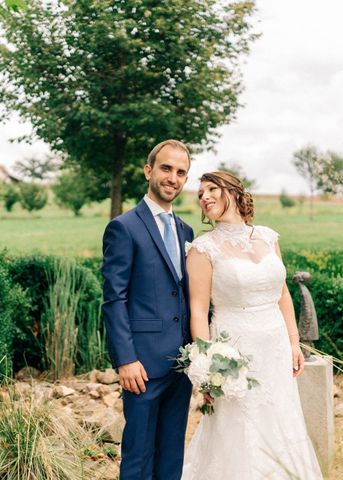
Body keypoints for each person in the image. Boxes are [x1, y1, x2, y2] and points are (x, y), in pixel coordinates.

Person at [181, 171, 323, 479]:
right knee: (238, 427)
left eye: (211, 189)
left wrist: (293, 342)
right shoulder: (202, 249)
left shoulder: (269, 237)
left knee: (281, 418)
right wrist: (207, 368)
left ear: (232, 191)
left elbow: (282, 292)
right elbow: (198, 310)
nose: (204, 197)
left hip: (274, 347)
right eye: (200, 193)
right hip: (234, 349)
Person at [101, 140, 195, 480]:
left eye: (181, 172)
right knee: (138, 458)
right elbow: (114, 299)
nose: (173, 178)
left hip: (181, 366)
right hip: (141, 366)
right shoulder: (124, 227)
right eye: (166, 168)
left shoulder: (186, 230)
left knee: (171, 456)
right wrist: (126, 359)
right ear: (148, 171)